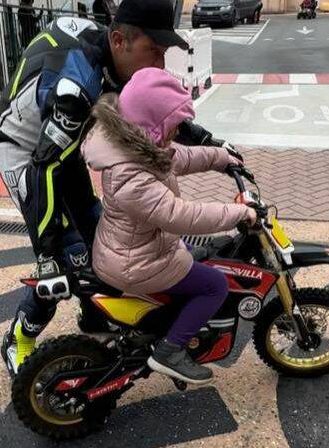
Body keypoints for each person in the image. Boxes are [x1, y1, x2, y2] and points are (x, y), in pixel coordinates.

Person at [0, 0, 244, 378]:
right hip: (23, 148)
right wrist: (46, 254)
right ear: (119, 40)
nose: (160, 62)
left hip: (60, 144)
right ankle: (19, 338)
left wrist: (209, 142)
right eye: (154, 50)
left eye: (164, 51)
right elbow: (44, 169)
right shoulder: (76, 87)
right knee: (66, 251)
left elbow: (157, 117)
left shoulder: (120, 61)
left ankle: (94, 319)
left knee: (97, 232)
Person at [82, 68, 257, 384]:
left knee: (197, 255)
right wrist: (237, 213)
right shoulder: (130, 175)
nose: (178, 132)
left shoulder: (135, 148)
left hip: (135, 248)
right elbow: (180, 215)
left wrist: (221, 157)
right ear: (152, 127)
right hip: (135, 263)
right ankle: (169, 352)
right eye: (173, 126)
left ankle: (170, 320)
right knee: (215, 285)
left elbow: (182, 158)